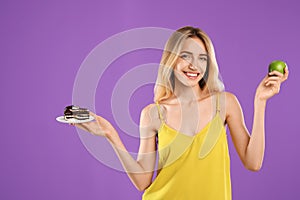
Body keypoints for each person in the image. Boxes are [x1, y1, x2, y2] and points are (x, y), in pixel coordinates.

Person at [73, 26, 289, 199]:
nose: (194, 65)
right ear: (172, 59)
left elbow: (253, 163)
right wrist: (111, 134)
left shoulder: (225, 103)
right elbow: (142, 182)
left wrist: (260, 102)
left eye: (202, 58)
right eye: (186, 55)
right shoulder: (153, 114)